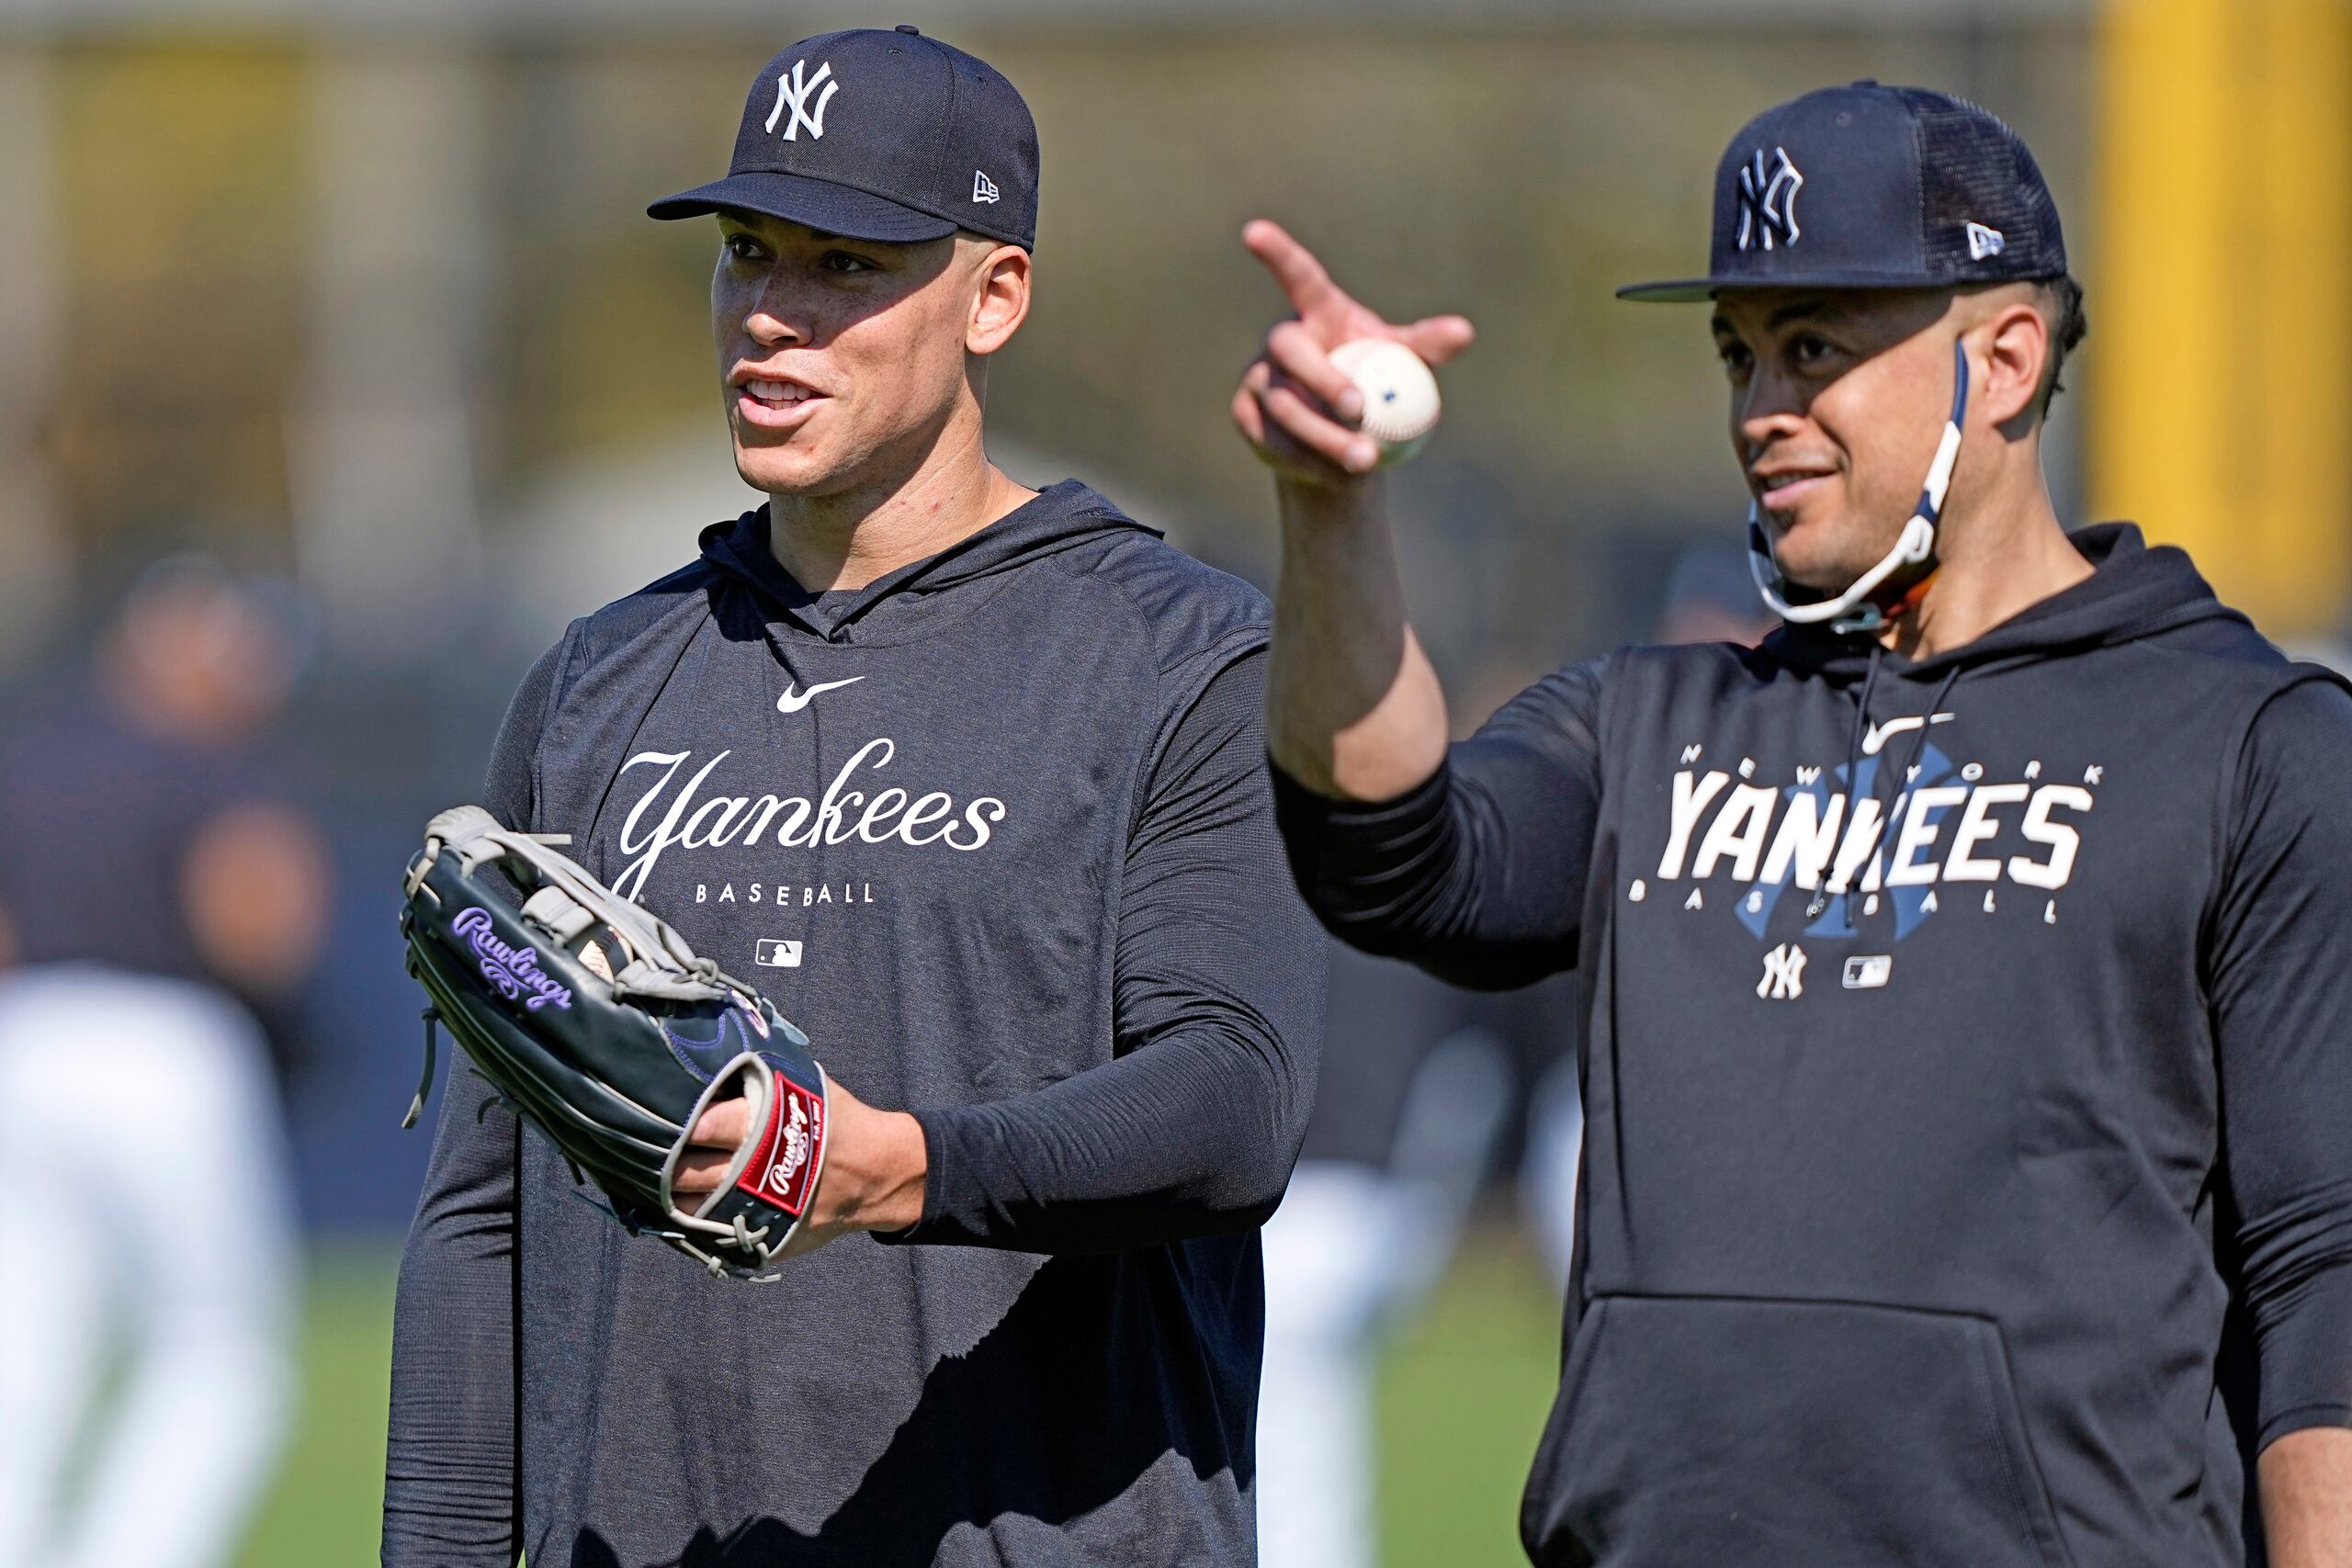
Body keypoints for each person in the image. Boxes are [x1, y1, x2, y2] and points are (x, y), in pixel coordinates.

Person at [1234, 82, 2352, 1567]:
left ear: (2003, 362)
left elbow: (2321, 1268)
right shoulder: (1648, 720)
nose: (1764, 409)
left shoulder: (2244, 742)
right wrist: (1330, 512)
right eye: (1740, 354)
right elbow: (1399, 860)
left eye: (1815, 347)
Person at [384, 28, 1324, 1568]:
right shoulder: (594, 682)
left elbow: (1234, 1105)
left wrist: (899, 1164)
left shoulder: (1180, 654)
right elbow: (482, 1212)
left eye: (844, 265)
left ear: (993, 295)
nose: (770, 314)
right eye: (748, 251)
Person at [0, 558, 329, 1568]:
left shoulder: (28, 751)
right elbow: (259, 915)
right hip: (165, 1050)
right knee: (222, 1353)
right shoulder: (206, 764)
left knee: (25, 1350)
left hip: (22, 1045)